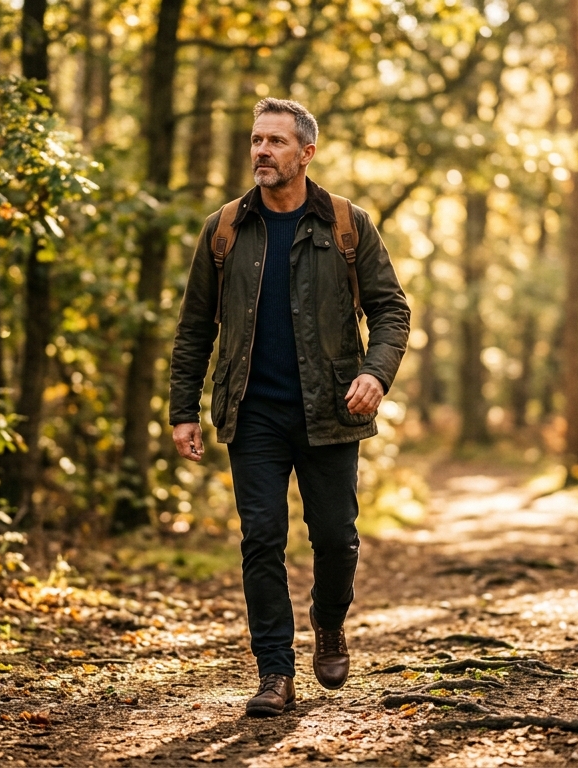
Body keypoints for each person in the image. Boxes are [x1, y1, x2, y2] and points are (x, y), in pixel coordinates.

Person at [168, 98, 411, 717]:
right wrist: (183, 409)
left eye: (275, 141)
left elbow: (391, 309)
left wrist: (375, 375)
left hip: (331, 410)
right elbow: (195, 325)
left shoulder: (347, 224)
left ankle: (328, 626)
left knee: (335, 539)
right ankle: (275, 672)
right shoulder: (225, 228)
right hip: (252, 413)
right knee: (261, 540)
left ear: (306, 153)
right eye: (256, 140)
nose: (261, 152)